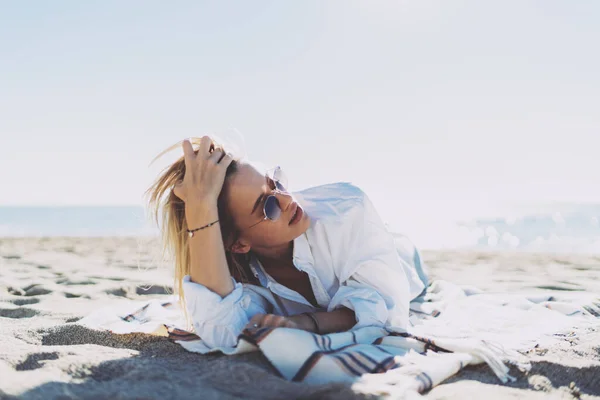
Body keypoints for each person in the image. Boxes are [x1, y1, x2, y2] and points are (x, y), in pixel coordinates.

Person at [146, 136, 428, 349]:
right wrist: (200, 206)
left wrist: (304, 323)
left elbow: (388, 314)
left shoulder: (348, 209)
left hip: (401, 258)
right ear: (239, 244)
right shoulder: (239, 275)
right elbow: (221, 330)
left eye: (275, 183)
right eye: (267, 207)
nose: (286, 199)